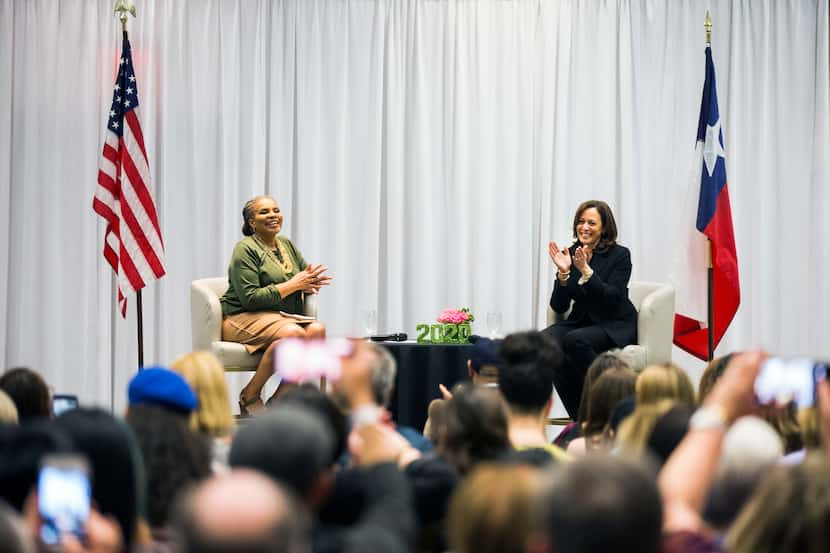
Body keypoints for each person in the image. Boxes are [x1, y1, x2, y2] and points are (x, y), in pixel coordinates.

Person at [221, 195, 332, 415]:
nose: (272, 215)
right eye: (264, 212)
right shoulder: (244, 249)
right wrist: (293, 284)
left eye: (276, 210)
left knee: (317, 331)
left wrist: (310, 282)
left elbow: (302, 276)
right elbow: (250, 299)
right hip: (241, 317)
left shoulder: (286, 244)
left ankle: (280, 399)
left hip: (280, 318)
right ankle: (250, 395)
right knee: (293, 335)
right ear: (252, 222)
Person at [543, 200, 637, 419]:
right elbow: (559, 306)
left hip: (614, 323)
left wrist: (586, 271)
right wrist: (564, 275)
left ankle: (614, 397)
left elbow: (612, 300)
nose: (584, 227)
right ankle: (580, 417)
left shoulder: (620, 255)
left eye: (592, 223)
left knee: (575, 341)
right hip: (583, 322)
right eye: (581, 222)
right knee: (546, 342)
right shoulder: (572, 252)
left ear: (604, 228)